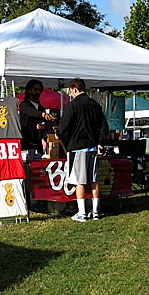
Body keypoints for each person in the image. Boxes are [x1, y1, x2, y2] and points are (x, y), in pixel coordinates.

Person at [57, 77, 109, 222]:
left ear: (74, 89)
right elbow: (104, 126)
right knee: (93, 180)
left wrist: (58, 133)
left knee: (79, 181)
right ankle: (96, 212)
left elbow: (63, 126)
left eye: (70, 91)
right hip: (92, 147)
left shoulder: (72, 105)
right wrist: (100, 142)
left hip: (77, 147)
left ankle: (82, 213)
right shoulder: (95, 105)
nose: (70, 94)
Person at [19, 79, 54, 161]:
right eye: (35, 90)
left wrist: (43, 126)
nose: (38, 92)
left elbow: (44, 123)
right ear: (29, 90)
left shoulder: (41, 108)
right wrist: (42, 114)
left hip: (37, 144)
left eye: (39, 90)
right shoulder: (24, 105)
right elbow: (32, 112)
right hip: (25, 143)